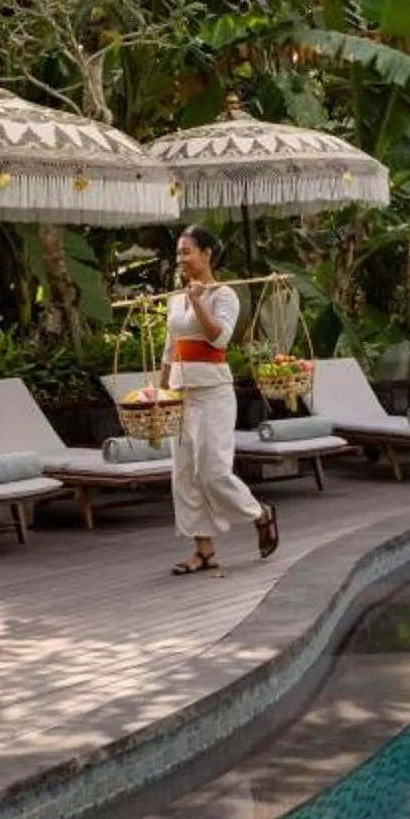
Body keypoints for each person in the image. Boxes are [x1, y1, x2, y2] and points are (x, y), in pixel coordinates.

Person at [162, 224, 276, 575]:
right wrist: (161, 395)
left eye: (187, 252)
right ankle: (204, 551)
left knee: (212, 471)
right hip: (181, 393)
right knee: (184, 475)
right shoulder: (174, 300)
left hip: (213, 394)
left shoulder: (225, 295)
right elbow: (169, 351)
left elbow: (218, 339)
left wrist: (198, 299)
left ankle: (260, 513)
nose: (181, 258)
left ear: (207, 254)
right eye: (178, 253)